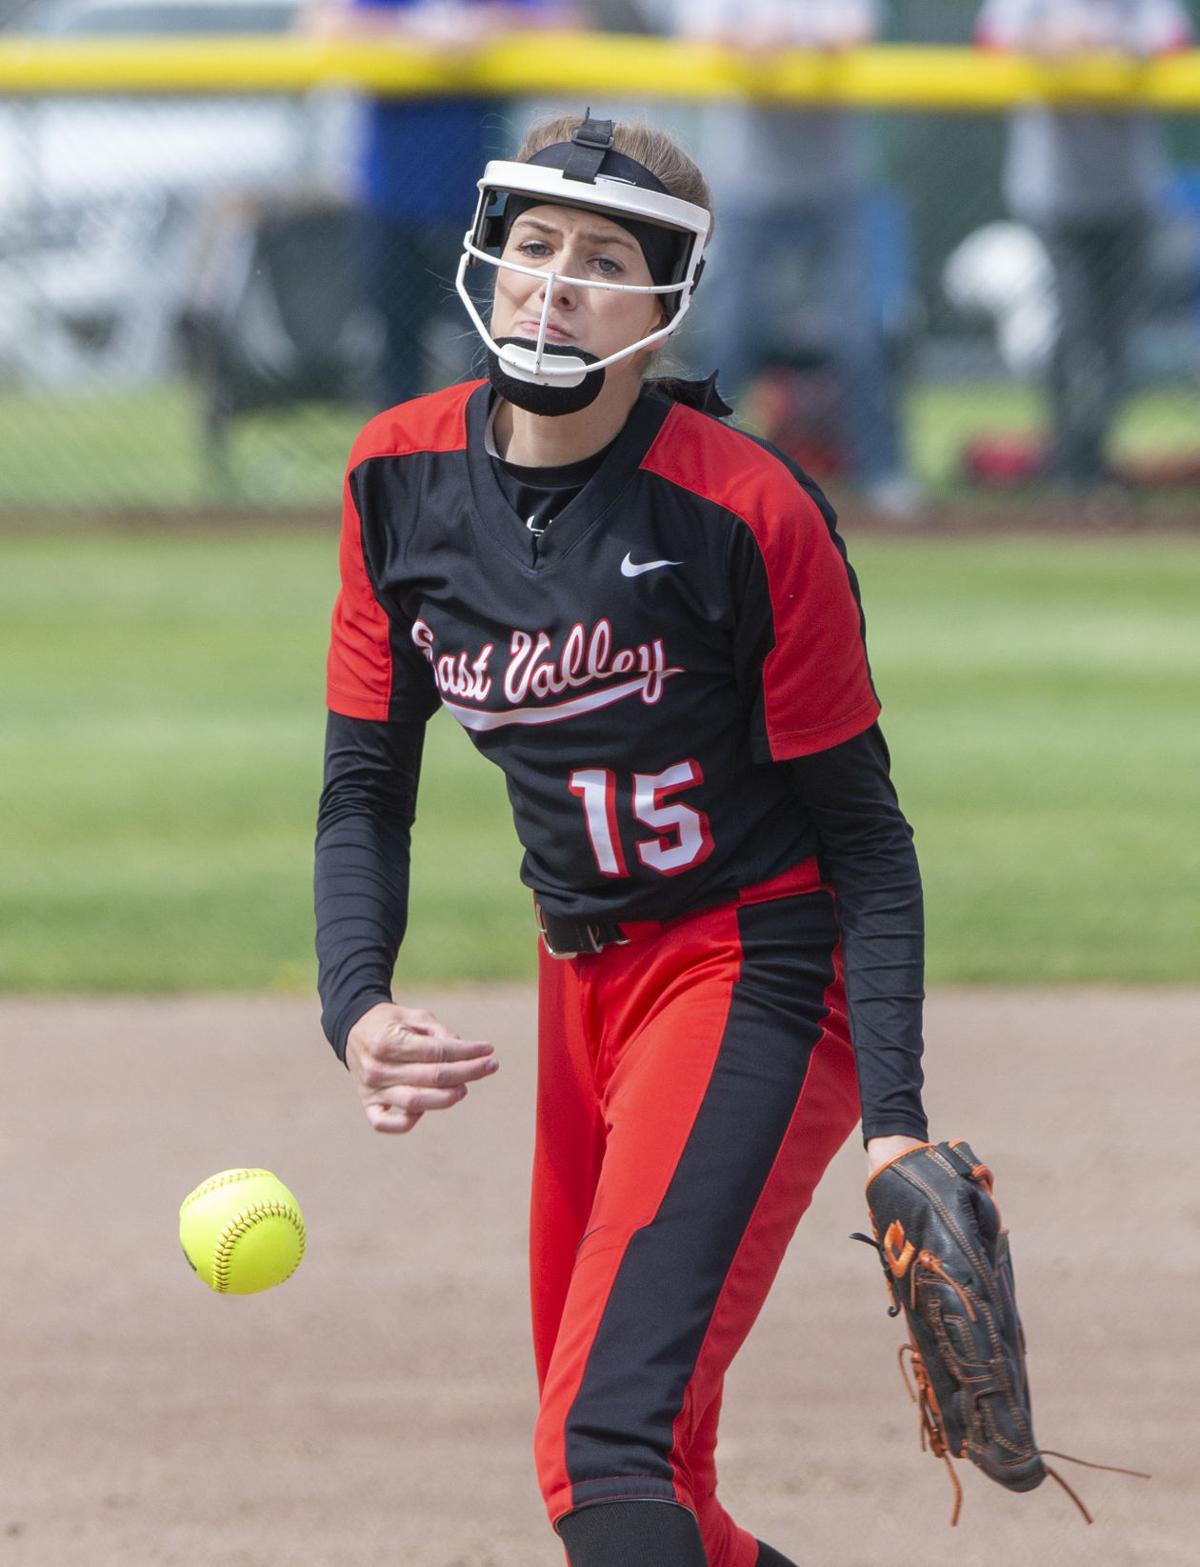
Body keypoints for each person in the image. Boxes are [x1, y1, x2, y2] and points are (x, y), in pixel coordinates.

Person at [314, 112, 930, 1567]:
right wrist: (356, 1001)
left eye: (605, 259)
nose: (556, 282)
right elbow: (363, 787)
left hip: (754, 968)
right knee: (653, 1481)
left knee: (604, 1448)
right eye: (535, 245)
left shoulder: (747, 509)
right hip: (581, 983)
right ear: (488, 258)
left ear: (666, 303)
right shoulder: (397, 474)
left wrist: (896, 1116)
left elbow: (868, 839)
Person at [650, 0, 919, 517]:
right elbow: (694, 29)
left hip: (836, 186)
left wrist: (788, 35)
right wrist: (751, 36)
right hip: (747, 187)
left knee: (861, 334)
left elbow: (854, 29)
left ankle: (883, 473)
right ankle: (693, 468)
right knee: (730, 334)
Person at [306, 0, 579, 407]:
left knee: (492, 348)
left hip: (486, 204)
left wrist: (489, 26)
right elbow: (321, 26)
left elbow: (566, 28)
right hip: (391, 200)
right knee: (396, 356)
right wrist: (412, 33)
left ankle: (486, 443)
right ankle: (400, 444)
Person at [976, 0, 1194, 486]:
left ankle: (1094, 453)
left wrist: (1111, 43)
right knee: (1069, 328)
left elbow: (1176, 41)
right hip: (1053, 192)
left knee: (1117, 339)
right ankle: (1065, 454)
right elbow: (989, 43)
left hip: (1129, 191)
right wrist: (1046, 42)